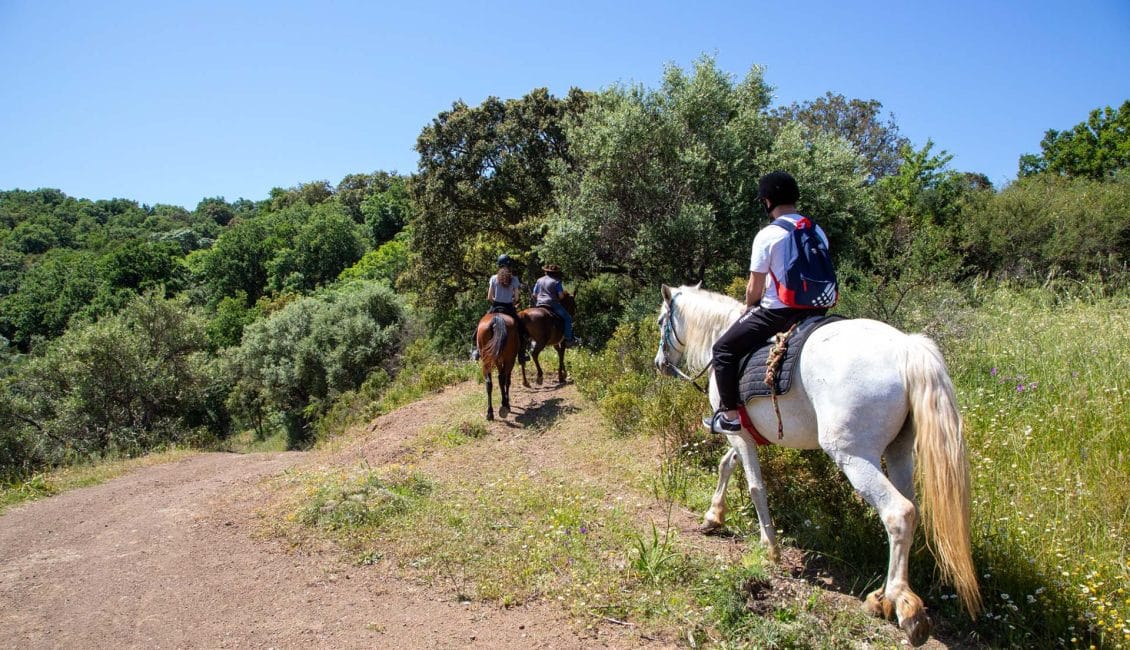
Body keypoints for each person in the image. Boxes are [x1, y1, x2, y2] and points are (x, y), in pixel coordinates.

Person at [704, 171, 835, 434]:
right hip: (818, 309)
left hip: (780, 312)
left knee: (723, 350)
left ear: (767, 201)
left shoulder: (768, 235)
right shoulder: (816, 230)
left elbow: (755, 286)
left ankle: (729, 416)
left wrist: (749, 305)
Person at [471, 254, 529, 362]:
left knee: (479, 326)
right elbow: (516, 298)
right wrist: (510, 301)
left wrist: (496, 301)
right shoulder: (515, 279)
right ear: (509, 265)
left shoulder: (493, 278)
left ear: (499, 265)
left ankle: (477, 350)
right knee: (522, 329)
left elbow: (489, 297)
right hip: (509, 308)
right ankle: (522, 353)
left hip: (495, 307)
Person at [531, 264, 579, 347]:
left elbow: (534, 294)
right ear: (556, 273)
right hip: (552, 304)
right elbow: (561, 296)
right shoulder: (557, 281)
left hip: (539, 304)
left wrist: (539, 300)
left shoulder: (539, 280)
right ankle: (569, 339)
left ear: (546, 272)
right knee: (568, 318)